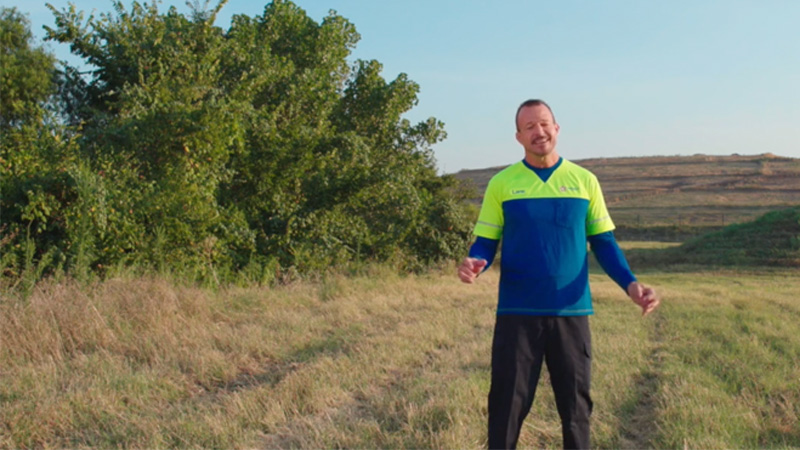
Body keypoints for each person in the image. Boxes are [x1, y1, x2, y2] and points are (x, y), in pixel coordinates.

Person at [458, 99, 660, 450]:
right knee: (506, 407)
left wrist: (630, 284)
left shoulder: (584, 181)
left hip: (572, 312)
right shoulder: (501, 183)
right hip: (517, 313)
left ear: (557, 128)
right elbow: (485, 243)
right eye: (529, 127)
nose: (539, 132)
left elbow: (604, 243)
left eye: (544, 123)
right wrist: (475, 261)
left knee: (576, 409)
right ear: (518, 136)